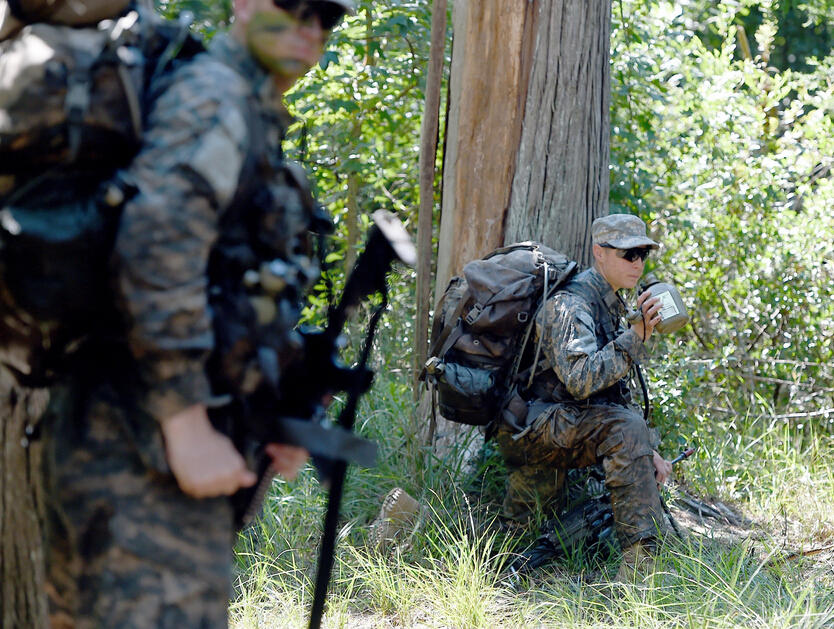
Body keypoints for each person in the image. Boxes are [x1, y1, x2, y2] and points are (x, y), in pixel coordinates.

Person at [41, 0, 354, 626]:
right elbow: (152, 244)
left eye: (325, 16)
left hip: (157, 440)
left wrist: (270, 409)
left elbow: (225, 289)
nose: (308, 28)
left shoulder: (248, 109)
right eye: (290, 7)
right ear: (241, 5)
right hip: (136, 446)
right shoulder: (215, 97)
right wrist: (185, 424)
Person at [495, 213, 673, 578]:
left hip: (564, 424)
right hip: (536, 427)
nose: (637, 263)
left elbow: (609, 393)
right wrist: (633, 338)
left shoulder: (611, 304)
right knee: (626, 428)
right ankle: (639, 571)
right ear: (599, 253)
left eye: (643, 254)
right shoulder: (571, 304)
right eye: (628, 254)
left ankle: (638, 555)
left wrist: (645, 451)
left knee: (527, 535)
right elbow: (579, 380)